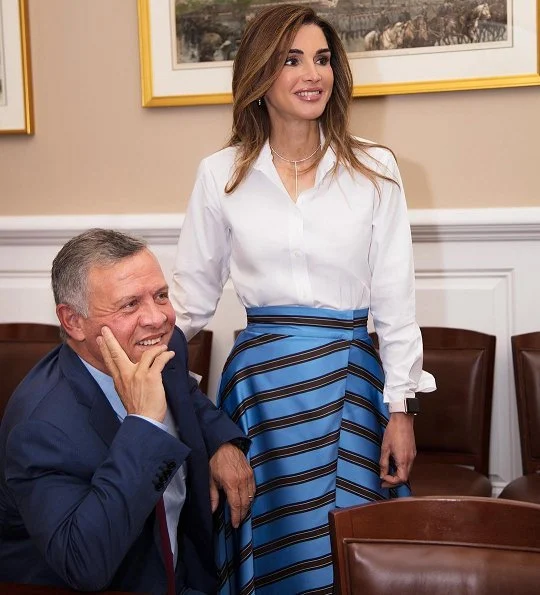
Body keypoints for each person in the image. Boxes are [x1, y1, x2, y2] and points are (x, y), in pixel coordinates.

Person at [171, 4, 436, 594]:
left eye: (321, 60)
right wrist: (126, 353)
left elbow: (396, 302)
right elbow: (189, 301)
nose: (311, 74)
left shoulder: (376, 168)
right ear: (261, 74)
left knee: (351, 555)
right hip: (258, 396)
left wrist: (401, 410)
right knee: (267, 556)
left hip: (351, 385)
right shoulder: (220, 175)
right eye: (291, 60)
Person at [0, 229, 255, 594]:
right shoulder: (40, 429)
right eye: (130, 305)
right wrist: (144, 425)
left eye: (161, 296)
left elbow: (186, 395)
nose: (157, 319)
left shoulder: (161, 345)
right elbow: (84, 563)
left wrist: (220, 442)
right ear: (73, 321)